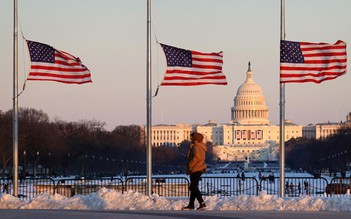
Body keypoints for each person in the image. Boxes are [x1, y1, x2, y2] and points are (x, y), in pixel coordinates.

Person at [182, 132, 207, 210]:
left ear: (195, 138)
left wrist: (190, 165)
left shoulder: (196, 146)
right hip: (198, 168)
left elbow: (197, 157)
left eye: (191, 137)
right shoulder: (200, 146)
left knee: (193, 187)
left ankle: (201, 203)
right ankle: (191, 205)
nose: (190, 138)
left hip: (196, 168)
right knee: (193, 187)